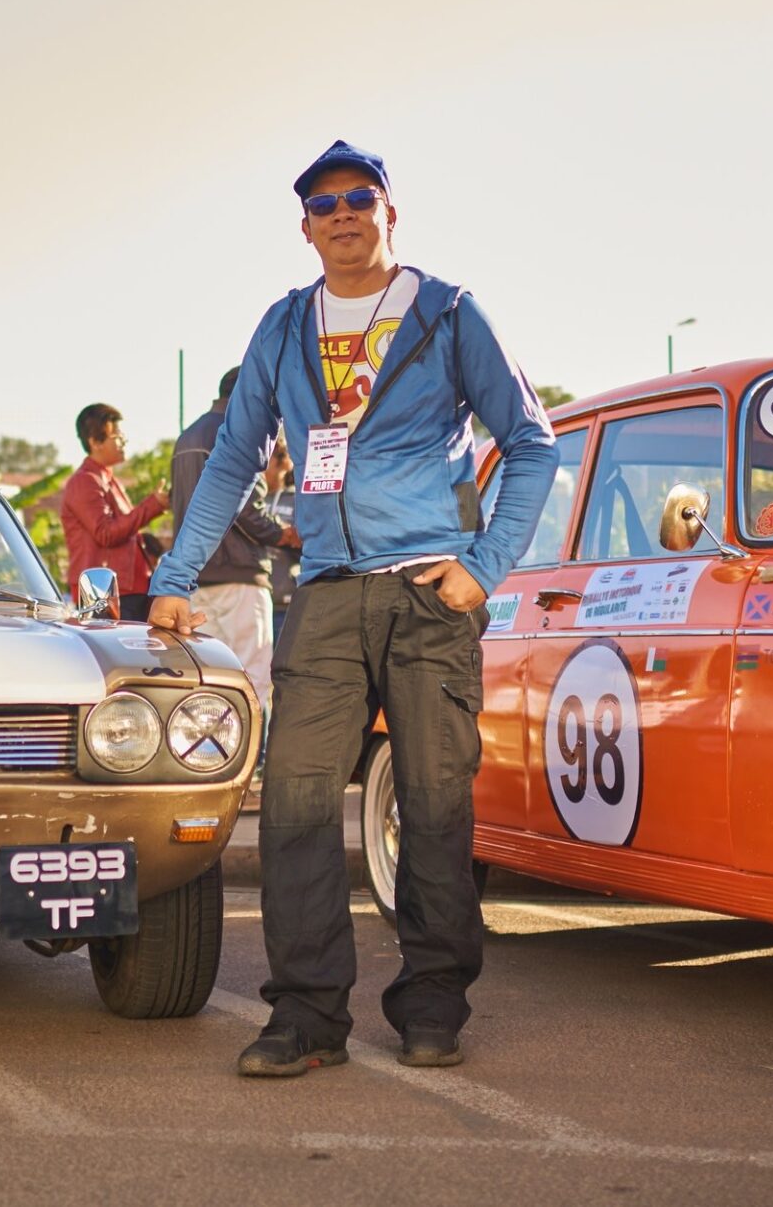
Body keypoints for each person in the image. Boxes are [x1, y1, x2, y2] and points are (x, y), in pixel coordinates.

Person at [148, 140, 557, 1078]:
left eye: (360, 198)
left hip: (428, 594)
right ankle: (304, 1017)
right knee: (294, 803)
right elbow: (233, 456)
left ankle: (432, 1004)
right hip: (326, 594)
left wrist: (482, 568)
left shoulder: (449, 312)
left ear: (389, 212)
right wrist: (174, 577)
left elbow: (532, 444)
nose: (343, 214)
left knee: (433, 805)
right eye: (325, 203)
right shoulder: (286, 326)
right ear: (305, 226)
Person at [171, 367, 299, 714]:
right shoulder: (238, 430)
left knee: (209, 681)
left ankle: (211, 763)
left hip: (196, 579)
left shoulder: (187, 436)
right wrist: (286, 534)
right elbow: (247, 509)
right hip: (240, 576)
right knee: (253, 678)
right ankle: (254, 764)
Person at [60, 402, 170, 622]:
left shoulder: (108, 480)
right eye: (117, 437)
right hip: (104, 592)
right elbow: (105, 532)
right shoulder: (85, 481)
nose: (123, 441)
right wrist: (152, 505)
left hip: (127, 591)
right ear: (95, 442)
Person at [262, 438, 297, 642]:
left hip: (283, 605)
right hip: (252, 599)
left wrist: (286, 536)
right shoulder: (249, 500)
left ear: (283, 462)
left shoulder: (297, 499)